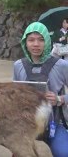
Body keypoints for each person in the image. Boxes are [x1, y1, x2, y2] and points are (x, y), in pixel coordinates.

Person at [13, 22, 68, 156]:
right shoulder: (18, 65)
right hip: (27, 125)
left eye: (41, 40)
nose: (36, 44)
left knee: (63, 153)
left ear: (47, 41)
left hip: (54, 123)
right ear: (25, 42)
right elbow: (13, 96)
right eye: (31, 40)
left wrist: (59, 99)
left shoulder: (61, 65)